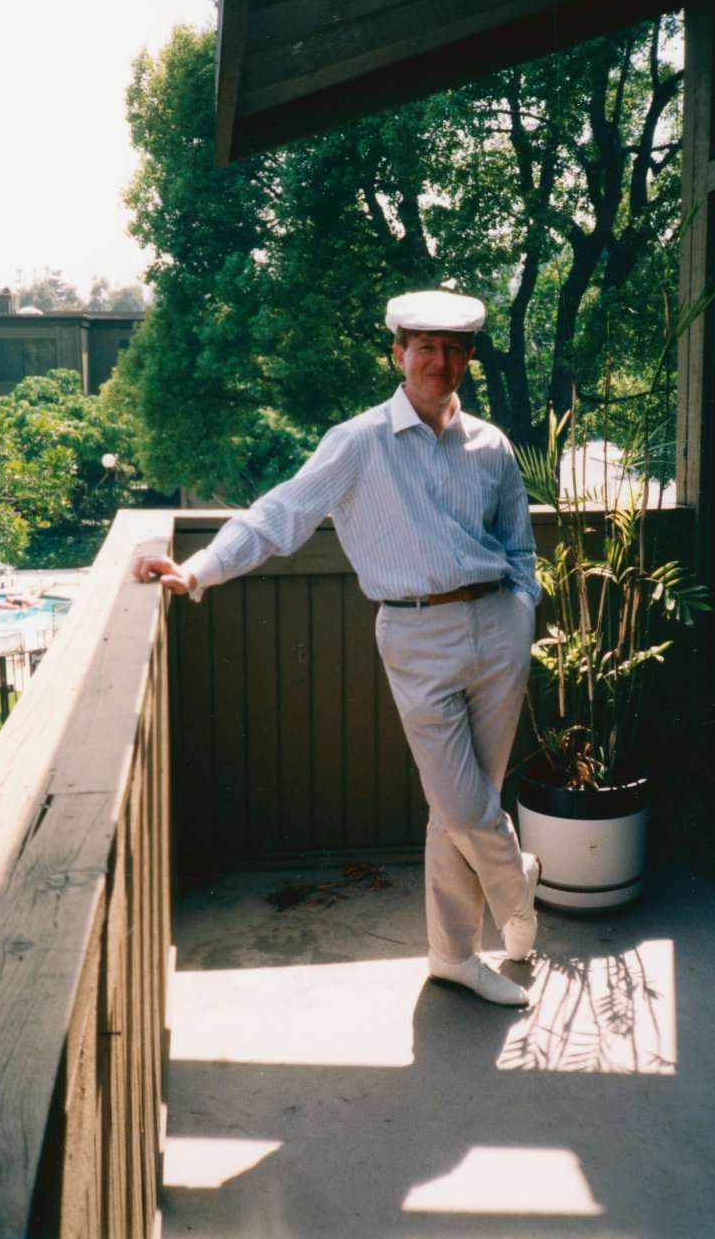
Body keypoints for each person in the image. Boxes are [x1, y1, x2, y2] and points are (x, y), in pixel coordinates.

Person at [133, 289, 542, 1008]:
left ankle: (452, 956)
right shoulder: (358, 442)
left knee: (464, 806)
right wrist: (197, 570)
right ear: (397, 355)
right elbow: (276, 516)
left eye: (452, 350)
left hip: (496, 629)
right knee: (463, 805)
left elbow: (518, 543)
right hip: (414, 635)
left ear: (467, 358)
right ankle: (518, 887)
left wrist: (522, 607)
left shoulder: (491, 444)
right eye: (423, 348)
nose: (437, 362)